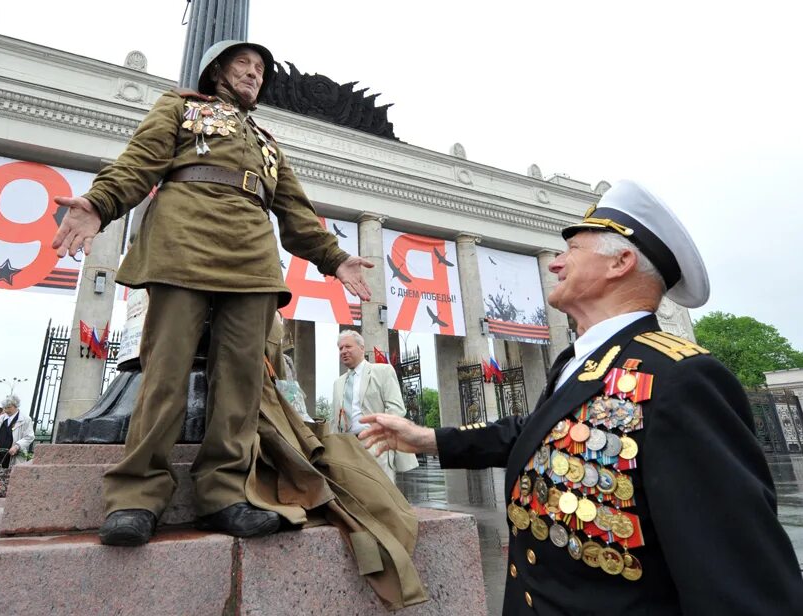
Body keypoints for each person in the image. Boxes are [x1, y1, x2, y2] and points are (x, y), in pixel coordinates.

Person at [360, 180, 803, 614]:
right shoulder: (579, 363)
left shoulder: (681, 378)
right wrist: (427, 439)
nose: (554, 263)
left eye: (571, 249)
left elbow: (741, 585)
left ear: (620, 263)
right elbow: (535, 435)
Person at [51, 39, 372, 547]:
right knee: (165, 372)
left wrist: (335, 258)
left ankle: (224, 494)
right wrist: (100, 203)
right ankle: (136, 496)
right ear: (217, 70)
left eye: (260, 68)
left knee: (242, 379)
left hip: (253, 257)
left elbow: (296, 213)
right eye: (243, 63)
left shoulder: (268, 143)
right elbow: (139, 163)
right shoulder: (179, 107)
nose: (254, 73)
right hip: (184, 241)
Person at [331, 331, 418, 481]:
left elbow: (396, 408)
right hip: (347, 447)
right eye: (340, 348)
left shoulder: (382, 371)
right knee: (353, 492)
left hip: (374, 444)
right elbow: (334, 420)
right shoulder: (338, 383)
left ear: (361, 348)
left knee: (381, 492)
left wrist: (379, 434)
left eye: (348, 346)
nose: (343, 351)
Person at [0, 395, 35, 470]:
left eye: (9, 407)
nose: (6, 410)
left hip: (14, 457)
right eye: (5, 408)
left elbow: (29, 437)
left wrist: (17, 446)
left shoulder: (26, 420)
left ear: (16, 406)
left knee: (12, 475)